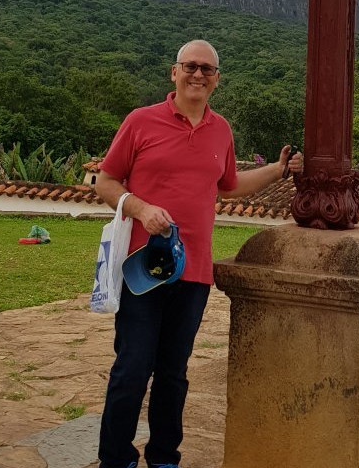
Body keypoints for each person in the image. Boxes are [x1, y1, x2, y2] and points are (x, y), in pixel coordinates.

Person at [95, 40, 302, 468]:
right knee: (133, 368)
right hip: (144, 268)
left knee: (173, 372)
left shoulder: (220, 129)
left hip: (194, 272)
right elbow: (106, 182)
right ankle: (116, 458)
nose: (198, 75)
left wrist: (278, 170)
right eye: (191, 66)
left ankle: (164, 458)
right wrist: (141, 207)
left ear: (217, 80)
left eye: (207, 70)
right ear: (174, 72)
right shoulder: (141, 121)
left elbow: (228, 185)